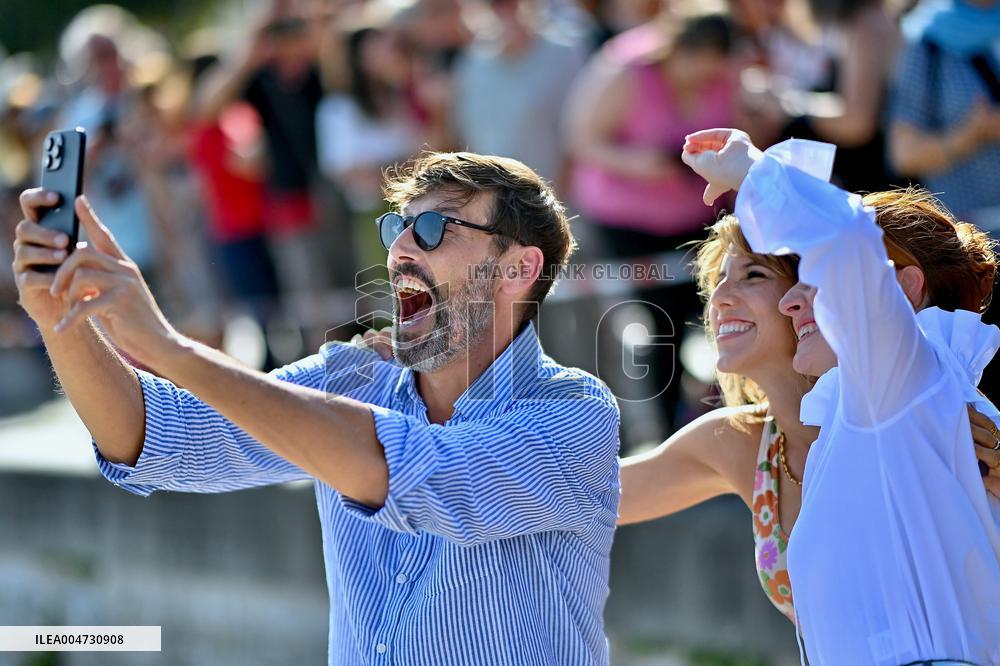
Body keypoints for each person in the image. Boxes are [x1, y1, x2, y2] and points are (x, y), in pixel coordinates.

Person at [11, 152, 621, 664]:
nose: (401, 248)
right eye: (396, 228)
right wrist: (57, 316)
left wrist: (169, 349)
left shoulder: (574, 414)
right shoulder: (353, 378)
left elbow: (415, 475)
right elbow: (158, 439)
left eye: (435, 229)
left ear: (520, 268)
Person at [683, 127, 1000, 665]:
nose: (791, 303)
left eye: (813, 281)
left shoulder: (894, 384)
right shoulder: (892, 403)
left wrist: (754, 170)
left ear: (903, 291)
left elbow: (846, 239)